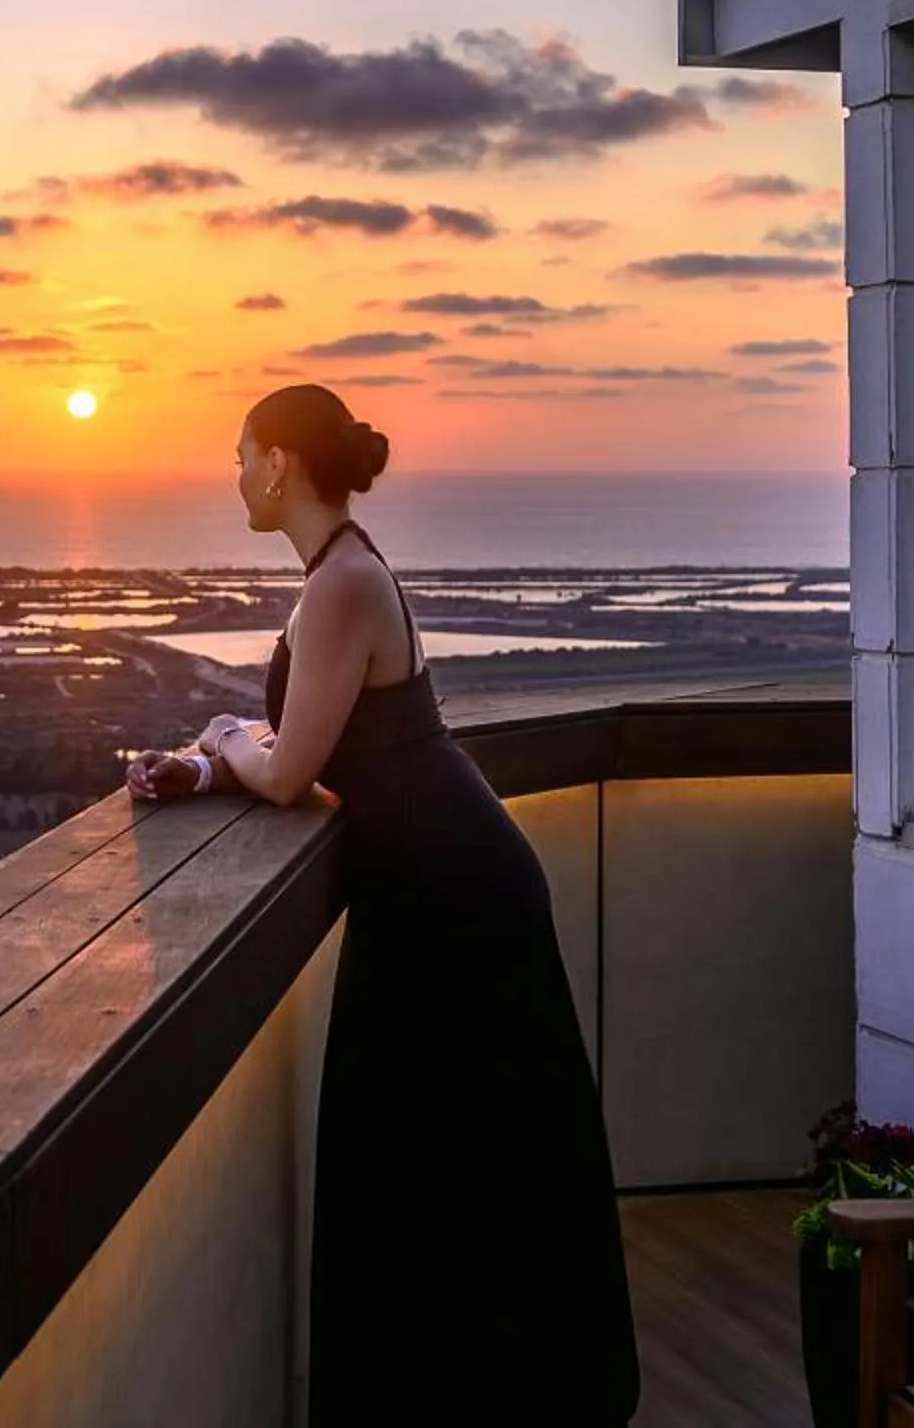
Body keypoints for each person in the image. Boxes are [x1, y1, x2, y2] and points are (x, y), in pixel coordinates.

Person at [128, 383, 640, 1426]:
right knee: (433, 1148)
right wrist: (214, 764)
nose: (232, 475)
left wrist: (227, 741)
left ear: (278, 465)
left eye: (239, 455)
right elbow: (317, 755)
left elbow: (287, 775)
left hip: (453, 891)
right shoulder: (341, 573)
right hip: (426, 879)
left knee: (460, 1147)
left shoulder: (342, 588)